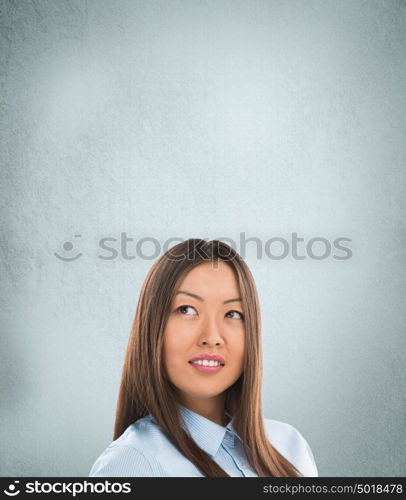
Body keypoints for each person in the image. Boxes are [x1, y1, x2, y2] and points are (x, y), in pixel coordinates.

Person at [89, 239, 318, 477]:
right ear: (152, 328)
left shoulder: (290, 446)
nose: (212, 337)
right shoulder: (132, 463)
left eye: (232, 313)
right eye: (186, 310)